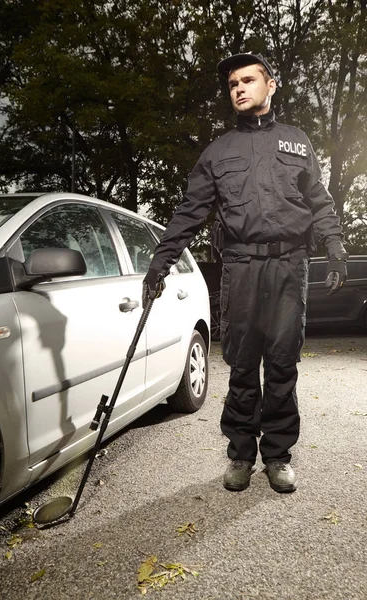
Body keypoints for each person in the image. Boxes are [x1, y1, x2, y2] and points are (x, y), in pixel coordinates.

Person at [142, 53, 347, 493]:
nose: (238, 88)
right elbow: (190, 212)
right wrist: (161, 261)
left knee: (281, 364)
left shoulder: (297, 141)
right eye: (233, 83)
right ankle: (240, 452)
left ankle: (277, 454)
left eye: (248, 80)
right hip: (240, 268)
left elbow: (320, 202)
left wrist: (334, 244)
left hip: (290, 267)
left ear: (271, 85)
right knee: (241, 363)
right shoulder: (218, 152)